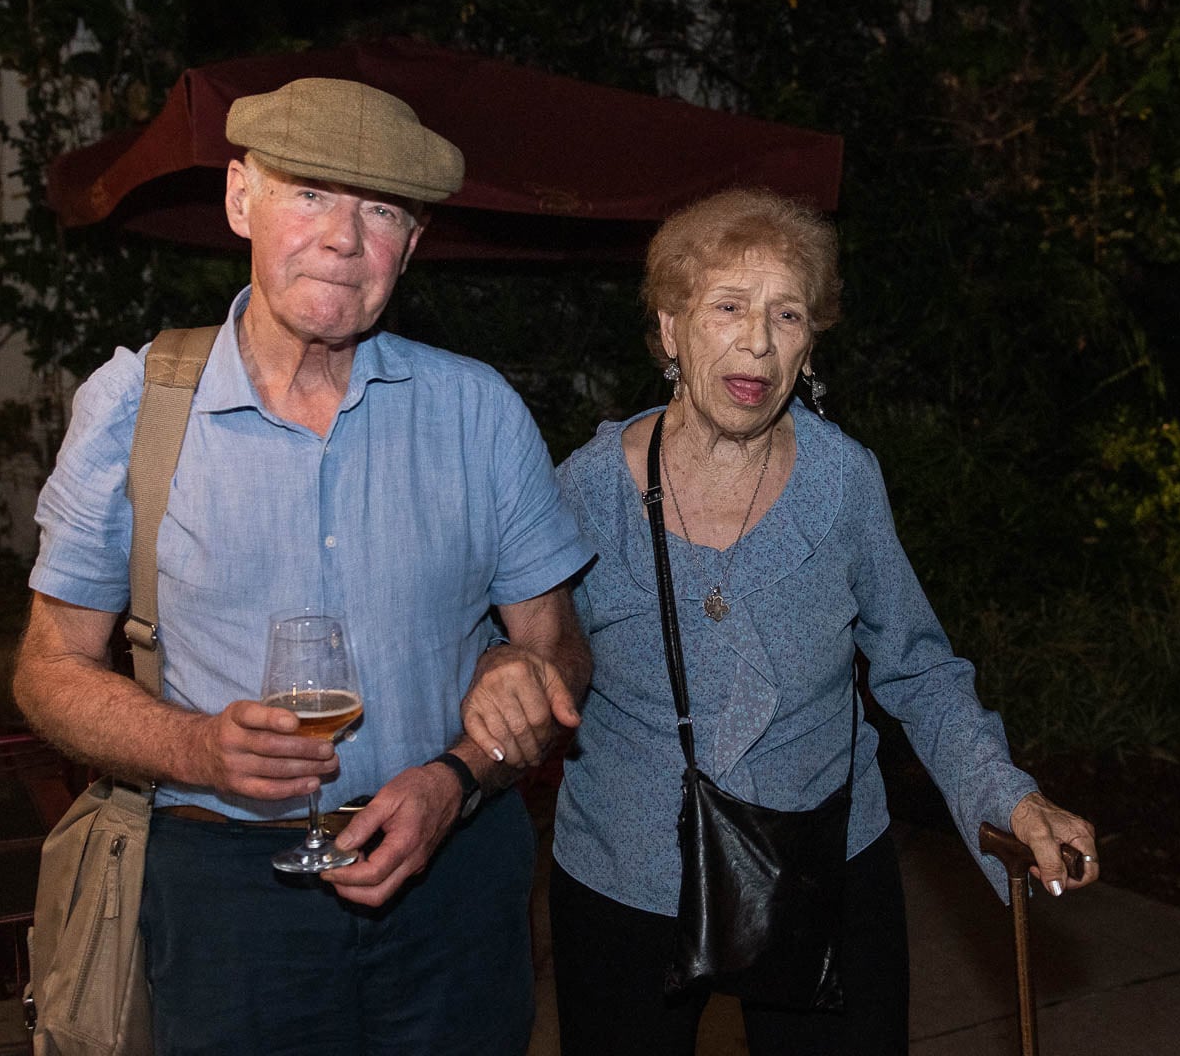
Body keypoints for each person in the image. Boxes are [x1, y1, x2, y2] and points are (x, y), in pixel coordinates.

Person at [14, 77, 593, 1055]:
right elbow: (46, 667)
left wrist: (480, 740)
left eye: (379, 210)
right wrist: (192, 748)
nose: (342, 237)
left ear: (410, 244)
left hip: (452, 877)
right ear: (242, 199)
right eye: (312, 193)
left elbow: (559, 653)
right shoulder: (134, 407)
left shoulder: (478, 413)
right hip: (226, 900)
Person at [461, 187, 1100, 1054]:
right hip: (627, 881)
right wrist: (501, 662)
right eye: (728, 306)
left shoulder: (844, 484)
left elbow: (916, 667)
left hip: (826, 868)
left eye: (787, 314)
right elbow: (516, 639)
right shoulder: (586, 487)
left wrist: (1008, 796)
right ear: (671, 327)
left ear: (810, 343)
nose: (757, 341)